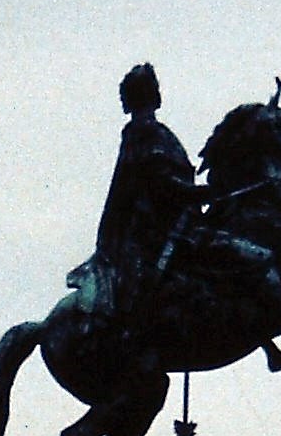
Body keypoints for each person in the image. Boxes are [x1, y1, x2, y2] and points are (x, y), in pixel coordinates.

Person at [70, 64, 197, 324]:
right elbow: (158, 179)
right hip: (151, 226)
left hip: (173, 219)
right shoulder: (143, 132)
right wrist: (194, 193)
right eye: (153, 89)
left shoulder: (154, 131)